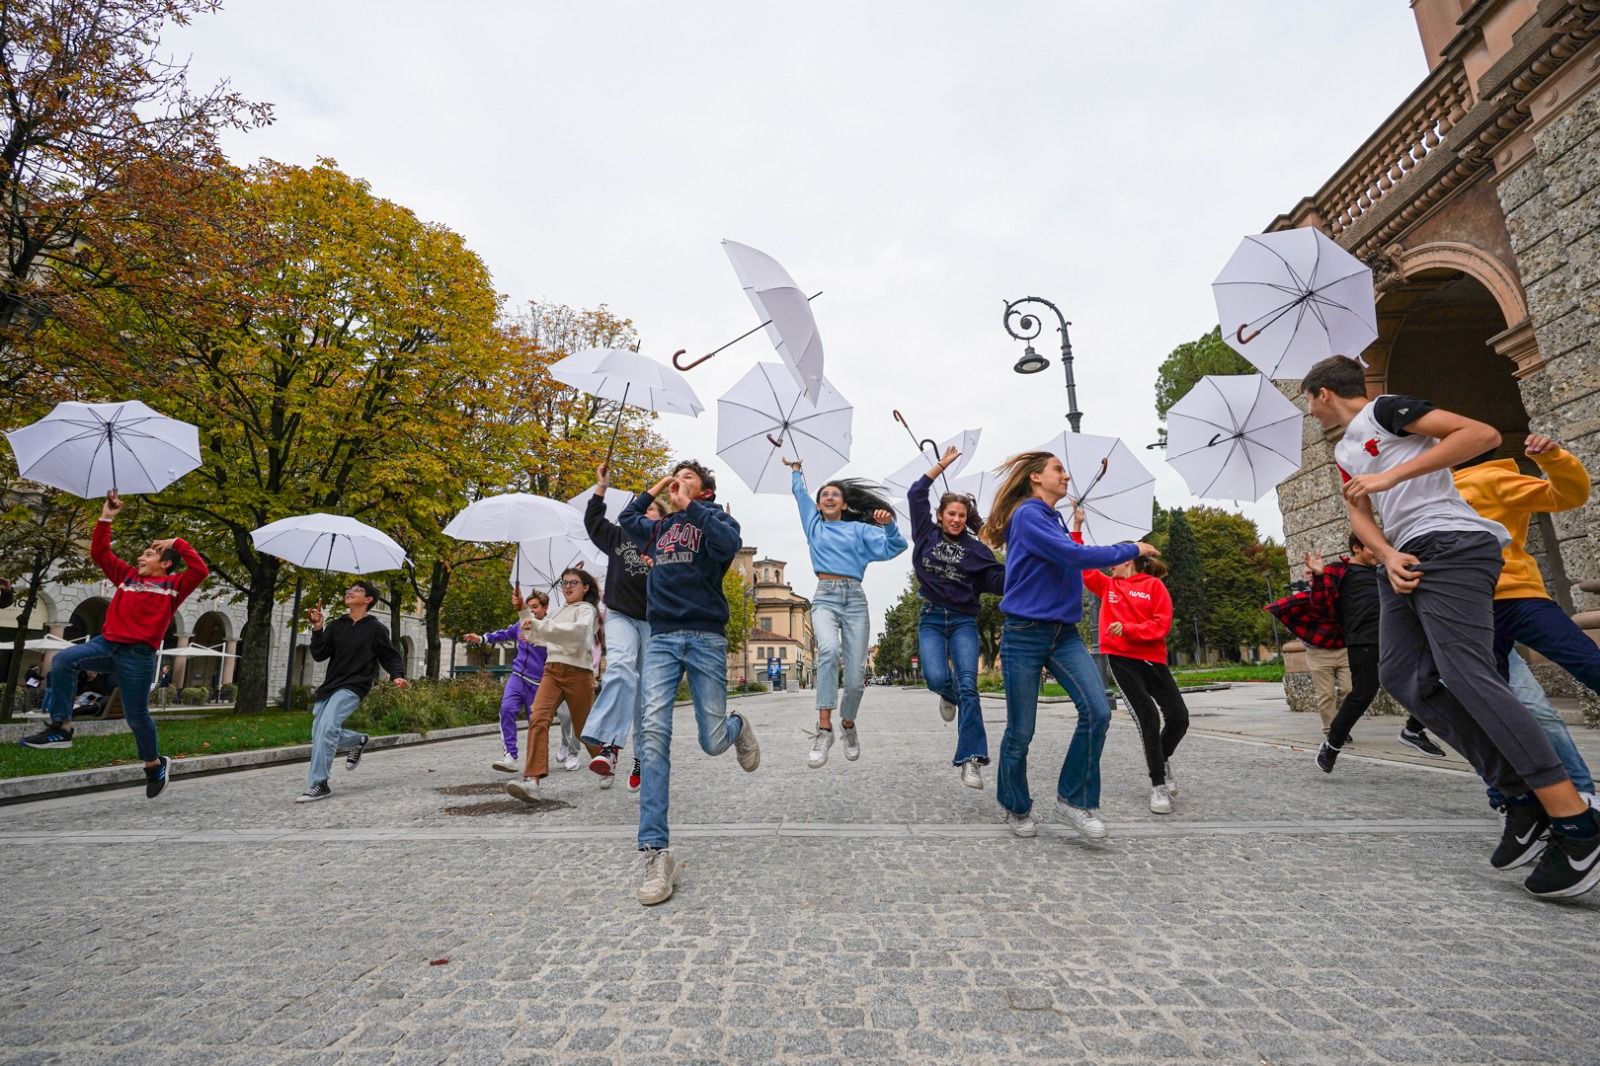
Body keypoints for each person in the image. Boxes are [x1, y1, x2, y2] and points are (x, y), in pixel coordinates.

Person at [1302, 354, 1598, 899]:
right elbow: (1359, 514)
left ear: (1323, 393)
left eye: (1310, 403)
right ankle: (1519, 799)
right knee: (1402, 676)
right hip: (1405, 555)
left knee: (1467, 673)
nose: (1311, 415)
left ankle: (1577, 823)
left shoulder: (1387, 410)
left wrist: (1391, 473)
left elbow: (1479, 434)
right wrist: (1385, 553)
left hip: (1452, 542)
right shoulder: (1345, 450)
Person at [979, 452, 1156, 841]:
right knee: (1021, 730)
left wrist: (1074, 524)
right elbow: (1073, 556)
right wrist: (1131, 548)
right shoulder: (1027, 515)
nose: (1066, 475)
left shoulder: (1053, 519)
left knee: (1097, 711)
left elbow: (1069, 553)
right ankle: (1016, 804)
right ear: (1035, 477)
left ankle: (1073, 801)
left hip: (1063, 634)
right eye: (1058, 469)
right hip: (1025, 634)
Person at [620, 460, 760, 905]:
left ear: (704, 490)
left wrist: (692, 507)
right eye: (674, 475)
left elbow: (729, 543)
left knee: (712, 740)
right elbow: (626, 521)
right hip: (661, 637)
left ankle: (736, 727)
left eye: (688, 477)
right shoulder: (658, 530)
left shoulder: (715, 519)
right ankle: (655, 852)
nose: (677, 481)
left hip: (704, 637)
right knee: (654, 734)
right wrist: (655, 490)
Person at [20, 491, 208, 800]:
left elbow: (200, 570)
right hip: (106, 644)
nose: (140, 557)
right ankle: (61, 727)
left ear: (165, 563)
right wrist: (106, 517)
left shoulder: (174, 586)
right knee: (65, 660)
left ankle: (153, 764)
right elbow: (100, 553)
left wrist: (177, 542)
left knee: (136, 716)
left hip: (138, 656)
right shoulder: (126, 576)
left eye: (148, 554)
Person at [1452, 432, 1598, 809]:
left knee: (1585, 660)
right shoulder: (1426, 490)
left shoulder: (1491, 477)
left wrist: (1554, 459)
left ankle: (1576, 794)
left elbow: (1568, 496)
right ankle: (1513, 799)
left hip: (1517, 595)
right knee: (1501, 709)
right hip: (1470, 610)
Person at [784, 457, 907, 768]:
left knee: (854, 679)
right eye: (824, 494)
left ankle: (848, 725)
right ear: (819, 503)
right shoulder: (813, 525)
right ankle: (824, 729)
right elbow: (800, 497)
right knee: (827, 650)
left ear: (844, 503)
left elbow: (897, 547)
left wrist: (889, 525)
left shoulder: (859, 531)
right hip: (824, 597)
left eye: (834, 494)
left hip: (854, 599)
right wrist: (798, 471)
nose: (828, 497)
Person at [1073, 509, 1190, 814]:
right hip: (1122, 660)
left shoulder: (1154, 586)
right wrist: (1077, 527)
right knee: (1148, 717)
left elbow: (1160, 626)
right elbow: (1083, 568)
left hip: (1153, 659)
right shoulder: (1107, 585)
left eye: (1117, 556)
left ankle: (1161, 759)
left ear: (1128, 558)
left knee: (1179, 717)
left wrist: (1129, 628)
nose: (1111, 561)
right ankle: (1158, 785)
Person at [907, 446, 1005, 788]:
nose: (957, 519)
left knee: (969, 686)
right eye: (951, 514)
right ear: (940, 516)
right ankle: (947, 695)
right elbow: (915, 492)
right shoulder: (925, 534)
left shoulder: (977, 550)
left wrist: (1014, 553)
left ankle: (971, 758)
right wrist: (941, 465)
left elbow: (1000, 580)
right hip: (932, 618)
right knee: (936, 677)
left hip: (964, 620)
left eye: (962, 515)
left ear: (966, 519)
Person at [1312, 533, 1445, 772]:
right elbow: (1321, 606)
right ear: (1356, 548)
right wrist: (1319, 576)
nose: (1379, 553)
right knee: (1362, 694)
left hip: (1398, 636)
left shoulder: (1382, 571)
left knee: (1432, 677)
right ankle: (1331, 745)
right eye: (1373, 548)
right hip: (1364, 640)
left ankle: (1413, 730)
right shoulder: (1339, 571)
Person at [580, 463, 664, 792]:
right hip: (619, 616)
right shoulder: (618, 535)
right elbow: (592, 521)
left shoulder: (665, 542)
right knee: (619, 669)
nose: (646, 514)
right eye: (643, 509)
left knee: (645, 696)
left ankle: (642, 756)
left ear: (663, 519)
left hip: (655, 622)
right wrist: (601, 487)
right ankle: (609, 746)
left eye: (654, 511)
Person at [297, 580, 407, 803]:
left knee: (327, 729)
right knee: (319, 732)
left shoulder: (376, 629)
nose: (349, 592)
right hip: (331, 685)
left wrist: (397, 675)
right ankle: (356, 740)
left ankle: (319, 783)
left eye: (356, 590)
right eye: (348, 590)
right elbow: (320, 654)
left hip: (355, 685)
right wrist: (318, 628)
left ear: (368, 600)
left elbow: (390, 655)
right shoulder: (338, 625)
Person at [505, 568, 601, 803]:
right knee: (538, 718)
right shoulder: (558, 612)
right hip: (552, 671)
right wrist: (523, 611)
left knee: (583, 730)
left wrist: (540, 626)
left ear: (585, 587)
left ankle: (606, 761)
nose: (567, 586)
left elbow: (577, 635)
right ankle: (532, 781)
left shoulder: (588, 611)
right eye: (564, 582)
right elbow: (536, 635)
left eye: (573, 582)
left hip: (579, 672)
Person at [462, 588, 550, 774]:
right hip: (517, 676)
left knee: (536, 723)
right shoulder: (520, 624)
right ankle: (510, 755)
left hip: (538, 683)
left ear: (545, 608)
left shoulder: (551, 629)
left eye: (536, 607)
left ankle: (538, 760)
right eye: (530, 607)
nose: (532, 611)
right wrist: (481, 638)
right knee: (506, 709)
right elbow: (502, 634)